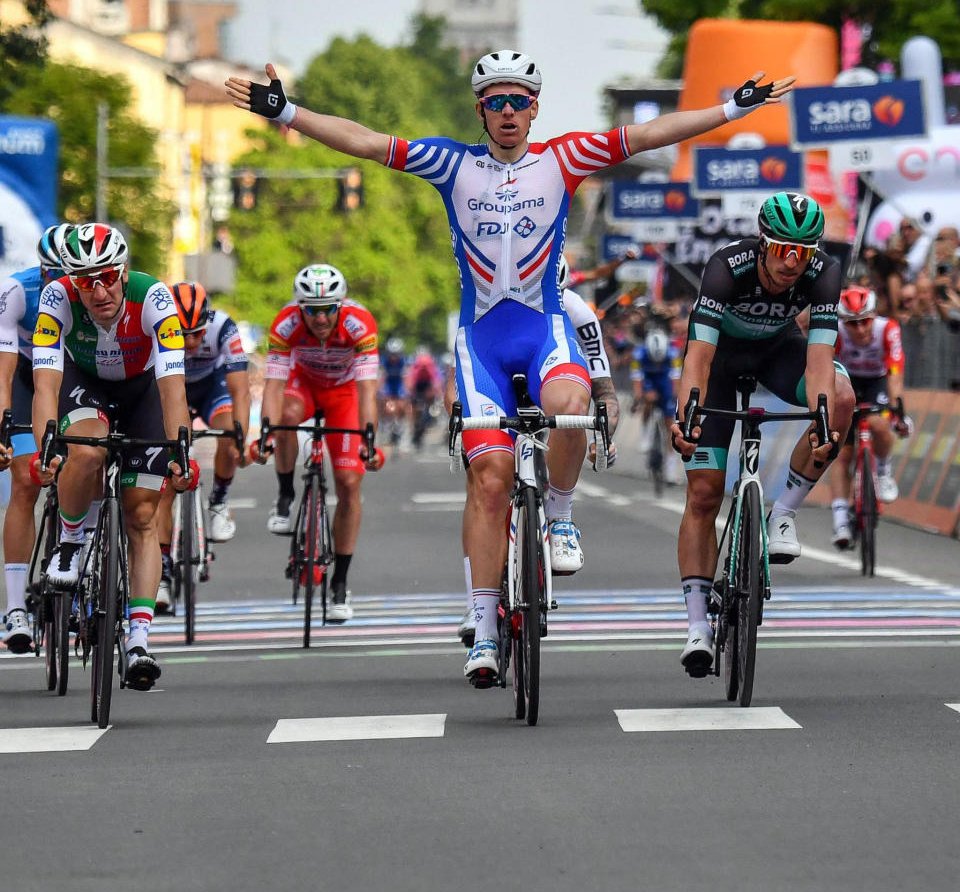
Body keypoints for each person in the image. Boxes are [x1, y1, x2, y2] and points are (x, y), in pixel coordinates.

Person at [226, 50, 794, 686]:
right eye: (495, 101)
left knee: (570, 407)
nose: (507, 112)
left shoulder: (564, 158)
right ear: (480, 110)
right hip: (481, 344)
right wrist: (289, 113)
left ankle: (562, 515)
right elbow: (362, 141)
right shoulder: (451, 163)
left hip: (544, 332)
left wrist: (731, 109)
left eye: (518, 101)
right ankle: (485, 631)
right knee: (491, 480)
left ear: (534, 109)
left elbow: (652, 132)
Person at [671, 192, 853, 678]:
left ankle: (784, 512)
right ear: (762, 242)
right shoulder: (725, 267)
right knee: (705, 494)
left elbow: (818, 359)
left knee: (841, 396)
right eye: (782, 249)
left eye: (804, 251)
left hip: (778, 353)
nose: (793, 262)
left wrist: (821, 420)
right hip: (720, 362)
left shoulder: (825, 274)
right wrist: (687, 414)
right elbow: (699, 358)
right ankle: (697, 628)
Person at [30, 223, 191, 689]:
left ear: (123, 271)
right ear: (71, 282)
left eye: (106, 276)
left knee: (142, 515)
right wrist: (46, 448)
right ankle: (71, 541)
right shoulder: (56, 299)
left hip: (144, 391)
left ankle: (138, 640)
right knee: (85, 450)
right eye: (85, 280)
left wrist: (181, 452)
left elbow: (172, 387)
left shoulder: (156, 299)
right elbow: (46, 384)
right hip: (88, 387)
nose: (98, 290)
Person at [457, 254, 622, 647]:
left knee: (565, 430)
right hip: (502, 399)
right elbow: (459, 376)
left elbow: (605, 392)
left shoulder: (577, 312)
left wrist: (605, 434)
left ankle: (559, 520)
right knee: (482, 485)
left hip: (552, 399)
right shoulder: (491, 306)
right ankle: (475, 600)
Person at [257, 262, 381, 622]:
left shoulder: (360, 324)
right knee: (286, 417)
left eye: (328, 309)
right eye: (312, 310)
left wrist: (368, 440)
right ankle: (284, 496)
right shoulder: (285, 324)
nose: (321, 318)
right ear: (300, 308)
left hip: (344, 394)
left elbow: (367, 389)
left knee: (348, 482)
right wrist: (266, 432)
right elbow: (273, 387)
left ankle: (339, 581)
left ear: (339, 306)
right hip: (304, 386)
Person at [152, 282, 250, 611]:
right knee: (165, 480)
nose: (191, 342)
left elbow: (241, 392)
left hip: (211, 387)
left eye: (197, 333)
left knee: (227, 429)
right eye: (183, 334)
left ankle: (220, 500)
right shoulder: (155, 325)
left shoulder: (224, 327)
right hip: (169, 385)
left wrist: (240, 436)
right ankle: (163, 573)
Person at [0, 223, 70, 653]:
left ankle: (82, 560)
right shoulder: (16, 292)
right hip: (28, 377)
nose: (60, 286)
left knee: (86, 464)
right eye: (52, 276)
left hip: (76, 374)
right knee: (27, 479)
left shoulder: (91, 295)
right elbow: (3, 372)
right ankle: (14, 607)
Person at [831, 286, 909, 547]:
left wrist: (898, 409)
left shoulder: (888, 329)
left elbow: (895, 371)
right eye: (853, 324)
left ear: (874, 316)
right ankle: (841, 520)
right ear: (843, 322)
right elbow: (825, 370)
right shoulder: (837, 333)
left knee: (879, 423)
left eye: (865, 321)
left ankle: (884, 472)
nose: (861, 329)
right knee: (841, 453)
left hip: (877, 381)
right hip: (846, 381)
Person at [379, 336, 409, 448]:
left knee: (401, 406)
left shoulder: (404, 361)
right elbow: (381, 378)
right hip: (388, 385)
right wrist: (382, 393)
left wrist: (407, 393)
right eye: (391, 354)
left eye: (396, 354)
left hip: (399, 385)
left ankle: (400, 427)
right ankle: (385, 428)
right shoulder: (384, 361)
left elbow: (406, 379)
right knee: (387, 407)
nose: (394, 357)